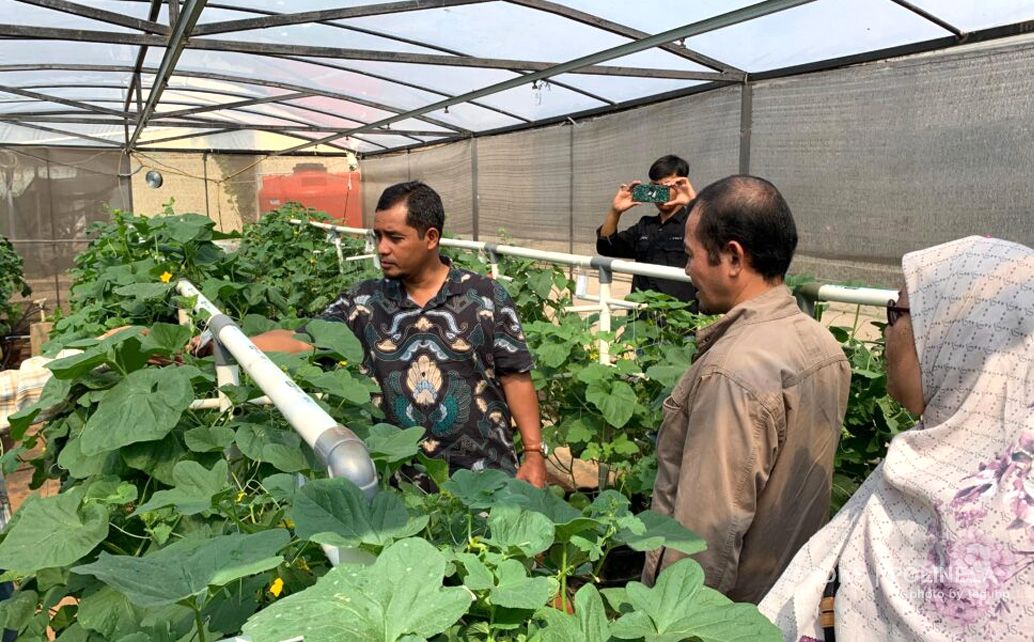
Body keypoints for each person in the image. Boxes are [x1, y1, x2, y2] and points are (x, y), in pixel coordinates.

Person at [759, 236, 1034, 642]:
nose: (886, 333)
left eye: (898, 313)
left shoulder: (988, 520)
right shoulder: (937, 455)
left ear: (960, 340)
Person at [250, 181, 548, 488]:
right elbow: (305, 339)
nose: (382, 248)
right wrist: (233, 342)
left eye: (395, 238)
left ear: (431, 237)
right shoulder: (362, 303)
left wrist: (534, 453)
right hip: (398, 486)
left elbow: (515, 376)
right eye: (378, 236)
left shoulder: (485, 297)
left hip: (486, 478)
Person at [643, 175, 851, 604]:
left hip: (729, 613)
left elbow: (703, 541)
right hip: (789, 595)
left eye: (691, 255)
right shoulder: (824, 346)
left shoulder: (731, 373)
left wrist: (674, 624)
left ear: (733, 257)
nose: (687, 270)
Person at [595, 154, 699, 307]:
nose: (660, 192)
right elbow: (606, 246)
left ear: (682, 185)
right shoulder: (645, 226)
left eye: (668, 186)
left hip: (678, 320)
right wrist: (615, 211)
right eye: (655, 187)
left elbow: (717, 243)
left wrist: (694, 205)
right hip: (641, 318)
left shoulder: (694, 225)